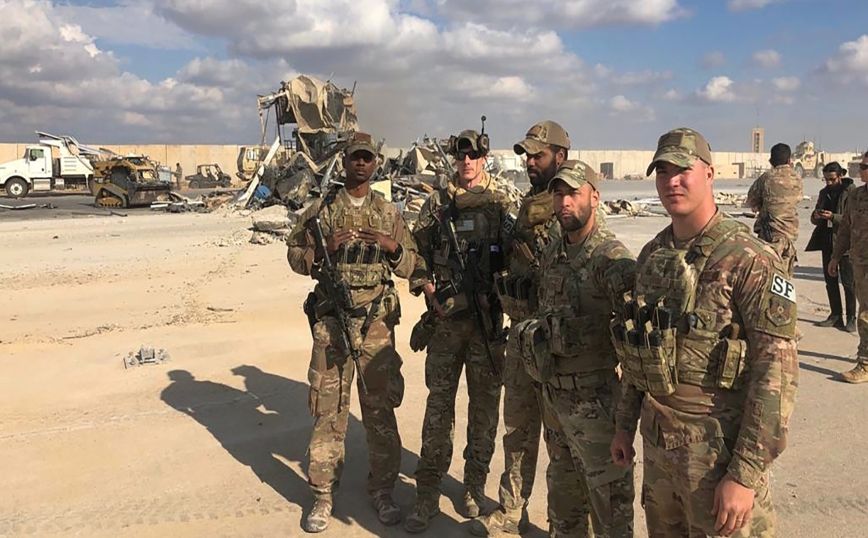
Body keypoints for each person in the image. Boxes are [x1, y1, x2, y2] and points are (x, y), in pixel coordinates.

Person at [610, 128, 799, 537]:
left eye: (683, 170)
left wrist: (744, 474)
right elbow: (640, 350)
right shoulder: (653, 255)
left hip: (718, 457)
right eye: (662, 172)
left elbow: (777, 375)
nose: (672, 182)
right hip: (660, 453)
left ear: (709, 173)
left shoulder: (750, 259)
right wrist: (624, 425)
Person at [285, 132, 418, 533]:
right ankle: (323, 495)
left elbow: (412, 264)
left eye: (367, 158)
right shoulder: (322, 210)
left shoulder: (388, 212)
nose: (361, 163)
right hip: (332, 324)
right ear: (344, 162)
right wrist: (320, 249)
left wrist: (392, 247)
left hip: (375, 324)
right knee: (329, 411)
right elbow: (294, 254)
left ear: (376, 163)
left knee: (379, 411)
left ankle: (383, 491)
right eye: (355, 157)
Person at [472, 121, 592, 537]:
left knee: (565, 442)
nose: (529, 162)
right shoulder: (526, 205)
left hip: (558, 346)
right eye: (526, 155)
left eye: (538, 155)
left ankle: (568, 524)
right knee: (518, 430)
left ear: (561, 156)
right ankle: (511, 510)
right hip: (523, 336)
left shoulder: (572, 206)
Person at [512, 160, 636, 536]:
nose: (565, 202)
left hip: (596, 406)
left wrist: (626, 421)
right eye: (559, 194)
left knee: (610, 514)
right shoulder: (553, 253)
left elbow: (637, 345)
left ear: (594, 197)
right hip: (555, 403)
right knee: (564, 512)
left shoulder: (611, 260)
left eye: (574, 194)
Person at [404, 129, 513, 533]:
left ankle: (473, 485)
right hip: (446, 324)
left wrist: (502, 294)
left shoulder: (502, 202)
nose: (467, 162)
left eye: (473, 156)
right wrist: (427, 288)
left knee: (484, 411)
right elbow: (413, 253)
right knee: (439, 410)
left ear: (484, 157)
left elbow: (520, 256)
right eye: (461, 156)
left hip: (486, 325)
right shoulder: (437, 203)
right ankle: (428, 491)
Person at [828, 150, 868, 383]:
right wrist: (835, 257)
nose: (861, 170)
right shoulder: (857, 195)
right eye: (861, 166)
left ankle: (865, 364)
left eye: (864, 167)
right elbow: (845, 229)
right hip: (861, 264)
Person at [807, 162, 856, 331]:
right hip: (827, 241)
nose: (829, 183)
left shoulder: (851, 193)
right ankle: (836, 315)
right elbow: (814, 218)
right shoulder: (824, 193)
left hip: (846, 244)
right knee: (830, 281)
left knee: (849, 283)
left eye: (832, 179)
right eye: (826, 179)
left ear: (840, 176)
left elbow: (853, 220)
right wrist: (816, 216)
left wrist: (833, 217)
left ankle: (851, 318)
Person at [745, 142, 803, 277]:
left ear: (771, 161)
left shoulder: (766, 178)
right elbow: (797, 199)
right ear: (789, 160)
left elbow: (751, 200)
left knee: (767, 276)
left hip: (769, 234)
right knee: (784, 276)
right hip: (789, 235)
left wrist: (762, 204)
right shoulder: (797, 178)